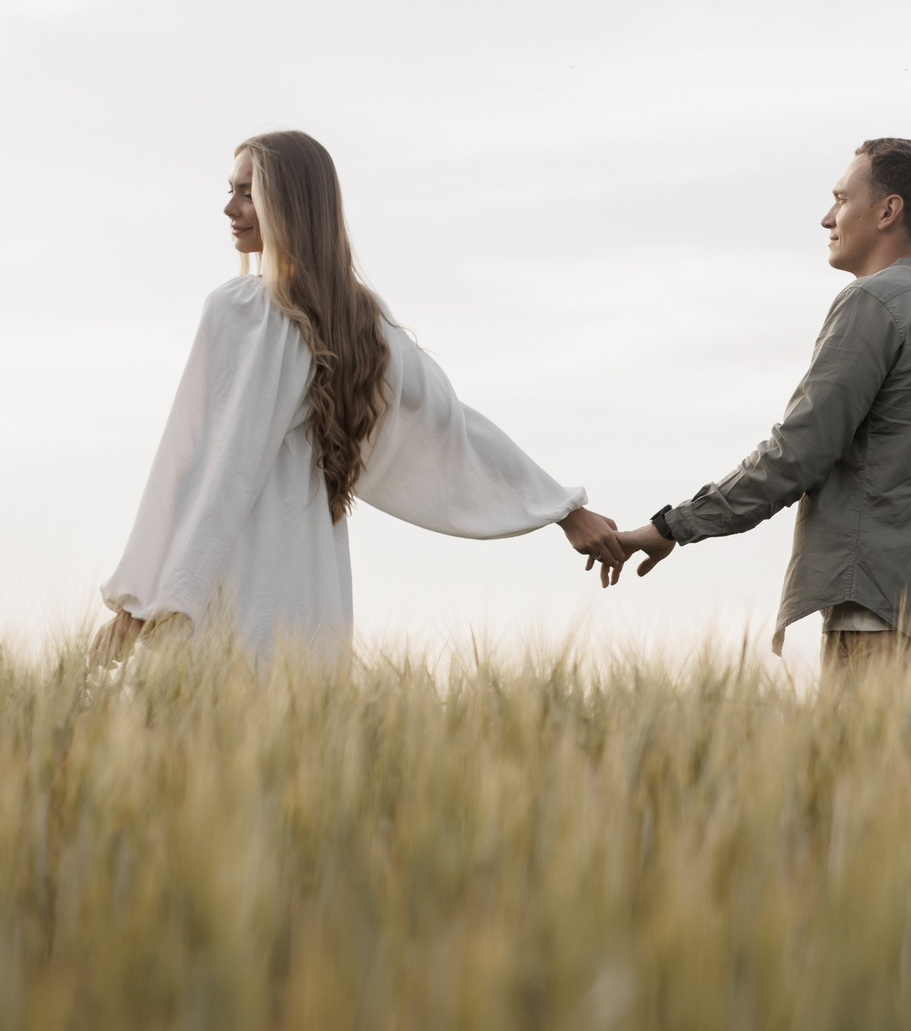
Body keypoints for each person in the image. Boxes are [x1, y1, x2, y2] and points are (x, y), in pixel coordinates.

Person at [96, 130, 622, 661]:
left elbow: (201, 469)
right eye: (231, 190)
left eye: (247, 192)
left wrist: (140, 607)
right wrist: (563, 510)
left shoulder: (240, 310)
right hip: (307, 592)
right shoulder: (358, 322)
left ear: (291, 202)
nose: (229, 207)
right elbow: (454, 430)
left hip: (222, 585)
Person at [610, 138, 911, 677]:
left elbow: (797, 451)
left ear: (888, 211)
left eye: (842, 199)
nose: (828, 218)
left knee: (860, 764)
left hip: (878, 609)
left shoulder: (872, 302)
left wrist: (673, 526)